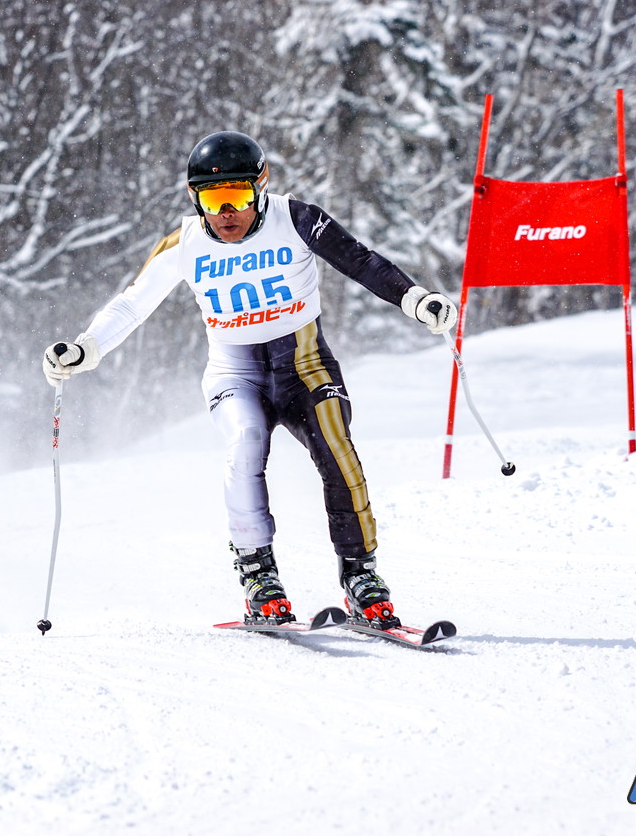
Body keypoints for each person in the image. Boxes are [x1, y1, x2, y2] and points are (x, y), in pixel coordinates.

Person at [42, 131, 456, 629]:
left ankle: (360, 577)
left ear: (261, 187)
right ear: (195, 198)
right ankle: (260, 578)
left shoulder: (297, 219)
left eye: (236, 196)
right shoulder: (184, 242)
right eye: (212, 200)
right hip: (235, 372)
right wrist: (86, 348)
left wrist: (416, 300)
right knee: (245, 441)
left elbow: (361, 261)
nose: (226, 213)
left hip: (305, 365)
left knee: (335, 446)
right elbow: (133, 302)